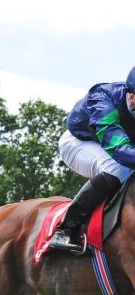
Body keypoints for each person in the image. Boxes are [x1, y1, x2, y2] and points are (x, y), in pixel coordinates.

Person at [49, 65, 135, 254]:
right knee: (119, 170)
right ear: (131, 95)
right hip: (79, 142)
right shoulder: (103, 99)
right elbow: (118, 148)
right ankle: (66, 229)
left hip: (117, 148)